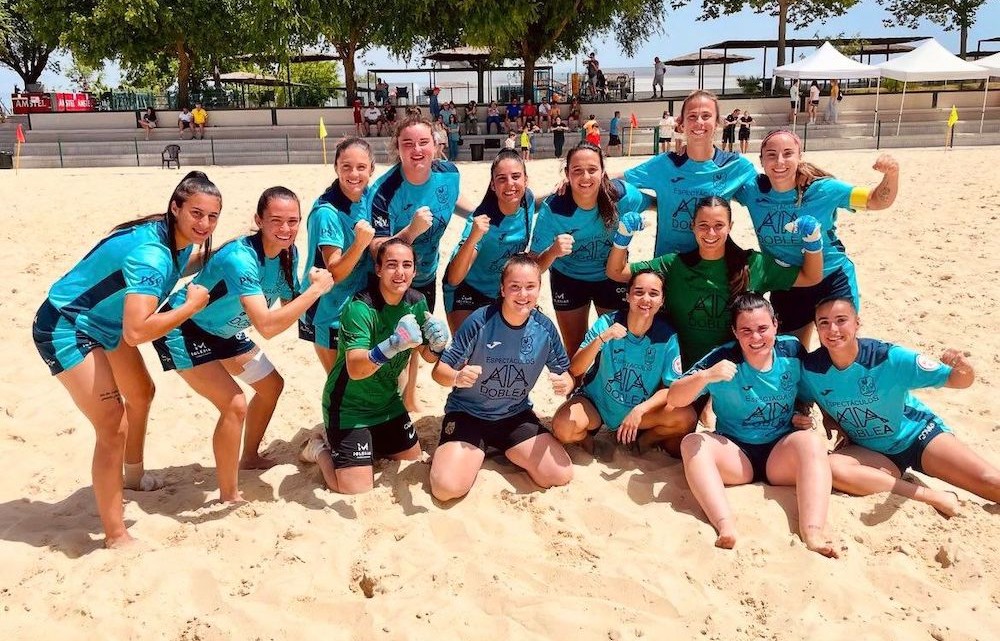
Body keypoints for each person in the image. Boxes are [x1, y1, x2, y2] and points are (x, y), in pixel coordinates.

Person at [32, 171, 220, 547]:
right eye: (197, 214)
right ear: (175, 208)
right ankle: (115, 535)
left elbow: (186, 261)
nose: (205, 224)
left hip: (105, 321)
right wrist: (193, 305)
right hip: (66, 325)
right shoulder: (151, 256)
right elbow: (137, 332)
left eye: (213, 217)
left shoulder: (171, 235)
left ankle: (132, 477)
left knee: (141, 392)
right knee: (112, 427)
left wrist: (239, 244)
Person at [153, 187, 333, 497]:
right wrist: (315, 291)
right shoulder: (241, 258)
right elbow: (266, 325)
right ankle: (229, 494)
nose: (286, 229)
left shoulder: (290, 253)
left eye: (293, 221)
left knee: (271, 386)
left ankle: (249, 457)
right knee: (235, 404)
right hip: (185, 328)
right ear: (259, 220)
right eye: (276, 220)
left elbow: (289, 307)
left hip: (223, 331)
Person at [671, 293, 838, 557]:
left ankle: (813, 532)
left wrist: (805, 414)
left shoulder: (792, 350)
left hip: (779, 452)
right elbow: (675, 397)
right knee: (692, 442)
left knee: (811, 442)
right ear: (735, 332)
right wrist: (706, 376)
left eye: (762, 329)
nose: (756, 338)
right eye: (746, 331)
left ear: (775, 325)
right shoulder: (723, 358)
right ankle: (725, 525)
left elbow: (809, 392)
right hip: (736, 454)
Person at [801, 297, 1000, 512]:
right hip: (873, 451)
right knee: (832, 467)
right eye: (823, 323)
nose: (833, 329)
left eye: (841, 320)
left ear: (857, 323)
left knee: (992, 483)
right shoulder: (812, 369)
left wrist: (964, 369)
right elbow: (803, 397)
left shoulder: (888, 358)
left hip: (919, 436)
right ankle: (933, 497)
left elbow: (956, 381)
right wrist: (828, 417)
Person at [299, 239, 449, 494]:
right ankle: (319, 450)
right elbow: (356, 370)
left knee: (413, 461)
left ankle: (364, 445)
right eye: (391, 265)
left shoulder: (417, 301)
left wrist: (437, 345)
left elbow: (427, 356)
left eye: (406, 265)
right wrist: (393, 344)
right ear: (378, 269)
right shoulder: (359, 308)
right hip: (349, 409)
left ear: (414, 271)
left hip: (388, 404)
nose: (399, 272)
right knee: (353, 489)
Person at [606, 195, 824, 369]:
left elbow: (811, 277)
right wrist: (622, 237)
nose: (710, 232)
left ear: (730, 226)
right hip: (682, 370)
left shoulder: (751, 264)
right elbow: (617, 272)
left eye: (719, 225)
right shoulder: (674, 264)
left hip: (733, 373)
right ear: (692, 226)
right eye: (703, 225)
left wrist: (813, 242)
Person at [732, 129, 899, 346]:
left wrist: (892, 174)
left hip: (831, 278)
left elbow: (877, 201)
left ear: (799, 156)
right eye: (771, 154)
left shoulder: (824, 190)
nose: (779, 161)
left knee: (839, 348)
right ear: (761, 160)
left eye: (788, 153)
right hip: (789, 282)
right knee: (791, 355)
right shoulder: (753, 191)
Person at [429, 254, 574, 501]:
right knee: (446, 489)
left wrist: (566, 383)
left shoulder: (544, 328)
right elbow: (439, 372)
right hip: (469, 414)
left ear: (539, 289)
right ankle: (472, 451)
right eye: (515, 287)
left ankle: (501, 448)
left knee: (559, 475)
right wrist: (457, 377)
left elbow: (566, 375)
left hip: (514, 416)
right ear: (503, 289)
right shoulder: (481, 320)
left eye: (530, 287)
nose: (523, 294)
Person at [368, 115, 473, 410]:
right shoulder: (384, 190)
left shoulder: (449, 174)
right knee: (394, 340)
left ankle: (410, 397)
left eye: (423, 142)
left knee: (417, 341)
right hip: (392, 280)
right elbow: (376, 249)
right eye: (408, 144)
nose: (417, 150)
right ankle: (391, 403)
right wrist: (411, 232)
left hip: (425, 275)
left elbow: (455, 201)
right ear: (397, 149)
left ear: (436, 145)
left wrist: (478, 215)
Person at [552, 270, 696, 454]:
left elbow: (670, 388)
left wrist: (640, 410)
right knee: (563, 427)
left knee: (686, 417)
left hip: (640, 410)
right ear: (627, 296)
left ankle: (644, 441)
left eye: (653, 294)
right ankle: (586, 440)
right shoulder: (607, 323)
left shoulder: (667, 336)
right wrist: (602, 339)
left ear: (662, 301)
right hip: (598, 403)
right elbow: (576, 368)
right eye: (638, 292)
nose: (646, 299)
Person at [530, 141, 651, 358]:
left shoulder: (623, 196)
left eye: (592, 170)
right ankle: (577, 392)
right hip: (568, 279)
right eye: (577, 171)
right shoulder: (555, 208)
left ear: (603, 171)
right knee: (576, 350)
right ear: (567, 174)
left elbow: (656, 202)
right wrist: (553, 252)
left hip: (611, 276)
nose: (585, 177)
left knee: (617, 348)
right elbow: (532, 267)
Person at [621, 90, 758, 256]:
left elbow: (770, 193)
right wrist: (654, 202)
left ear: (717, 122)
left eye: (706, 116)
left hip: (713, 265)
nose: (699, 122)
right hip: (669, 264)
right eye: (692, 116)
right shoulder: (665, 163)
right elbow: (622, 183)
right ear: (682, 124)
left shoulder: (736, 166)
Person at [299, 138, 377, 373]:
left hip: (359, 304)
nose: (354, 174)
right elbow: (335, 273)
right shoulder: (327, 212)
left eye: (361, 167)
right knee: (340, 385)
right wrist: (360, 244)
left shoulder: (369, 196)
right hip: (327, 310)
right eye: (346, 167)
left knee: (363, 382)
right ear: (336, 168)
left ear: (371, 169)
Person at [444, 149, 534, 332]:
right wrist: (473, 238)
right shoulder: (482, 220)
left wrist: (564, 186)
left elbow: (546, 202)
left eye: (516, 177)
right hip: (467, 289)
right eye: (501, 179)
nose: (510, 184)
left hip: (502, 291)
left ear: (526, 179)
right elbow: (454, 278)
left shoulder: (528, 201)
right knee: (465, 355)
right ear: (493, 185)